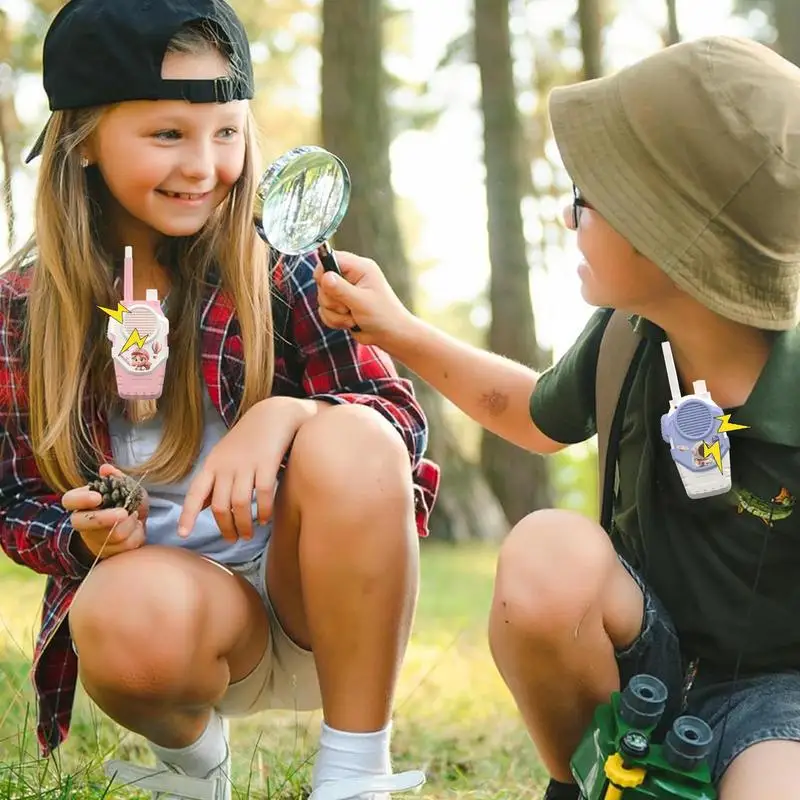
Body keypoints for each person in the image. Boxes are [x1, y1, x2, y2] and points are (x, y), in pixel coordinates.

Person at [315, 35, 800, 800]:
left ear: (673, 239)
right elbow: (533, 413)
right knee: (546, 552)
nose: (567, 214)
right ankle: (588, 784)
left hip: (780, 703)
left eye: (588, 198)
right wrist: (398, 328)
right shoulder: (629, 335)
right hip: (641, 659)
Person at [0, 2, 441, 799]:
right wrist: (81, 534)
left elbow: (401, 428)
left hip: (325, 610)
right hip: (178, 629)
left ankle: (354, 772)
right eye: (168, 134)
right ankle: (198, 763)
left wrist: (290, 414)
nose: (204, 165)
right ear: (83, 140)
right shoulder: (23, 309)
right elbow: (13, 501)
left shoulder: (284, 271)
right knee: (121, 614)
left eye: (227, 132)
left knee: (353, 435)